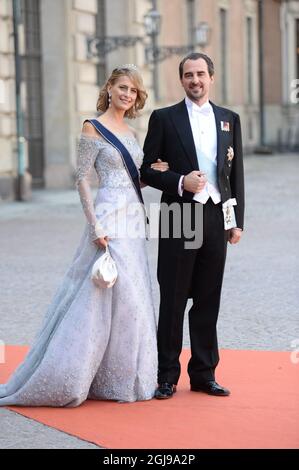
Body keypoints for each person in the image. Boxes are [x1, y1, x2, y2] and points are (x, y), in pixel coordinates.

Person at [0, 65, 168, 407]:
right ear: (109, 87)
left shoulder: (131, 133)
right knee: (102, 295)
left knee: (131, 301)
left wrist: (154, 176)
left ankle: (119, 378)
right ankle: (72, 373)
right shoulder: (93, 127)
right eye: (122, 87)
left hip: (132, 221)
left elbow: (131, 180)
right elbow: (82, 179)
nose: (127, 94)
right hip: (107, 218)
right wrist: (94, 225)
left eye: (133, 91)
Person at [140, 52, 245, 399]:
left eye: (200, 74)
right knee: (172, 299)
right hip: (177, 217)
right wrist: (180, 180)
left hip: (216, 217)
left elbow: (235, 176)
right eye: (188, 75)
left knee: (207, 299)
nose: (195, 80)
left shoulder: (229, 119)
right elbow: (146, 171)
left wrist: (236, 221)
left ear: (211, 77)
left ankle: (203, 374)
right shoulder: (164, 118)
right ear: (181, 80)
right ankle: (166, 376)